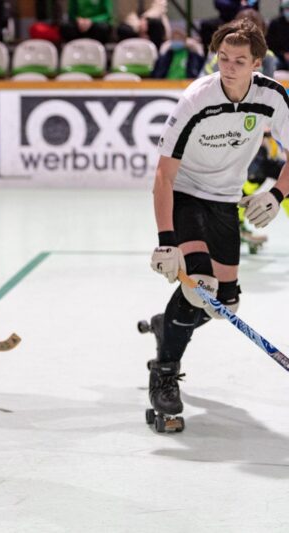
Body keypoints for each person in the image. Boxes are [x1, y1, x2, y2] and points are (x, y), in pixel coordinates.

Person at [147, 18, 289, 431]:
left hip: (226, 199)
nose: (228, 67)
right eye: (223, 58)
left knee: (226, 305)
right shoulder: (197, 99)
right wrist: (166, 241)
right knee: (200, 288)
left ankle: (168, 325)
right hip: (187, 193)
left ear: (257, 62)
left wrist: (277, 194)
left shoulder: (272, 96)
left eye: (239, 61)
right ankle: (164, 373)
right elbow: (163, 176)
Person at [266, 0, 289, 70]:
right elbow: (269, 45)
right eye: (287, 9)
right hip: (278, 57)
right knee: (271, 63)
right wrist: (283, 54)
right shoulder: (275, 23)